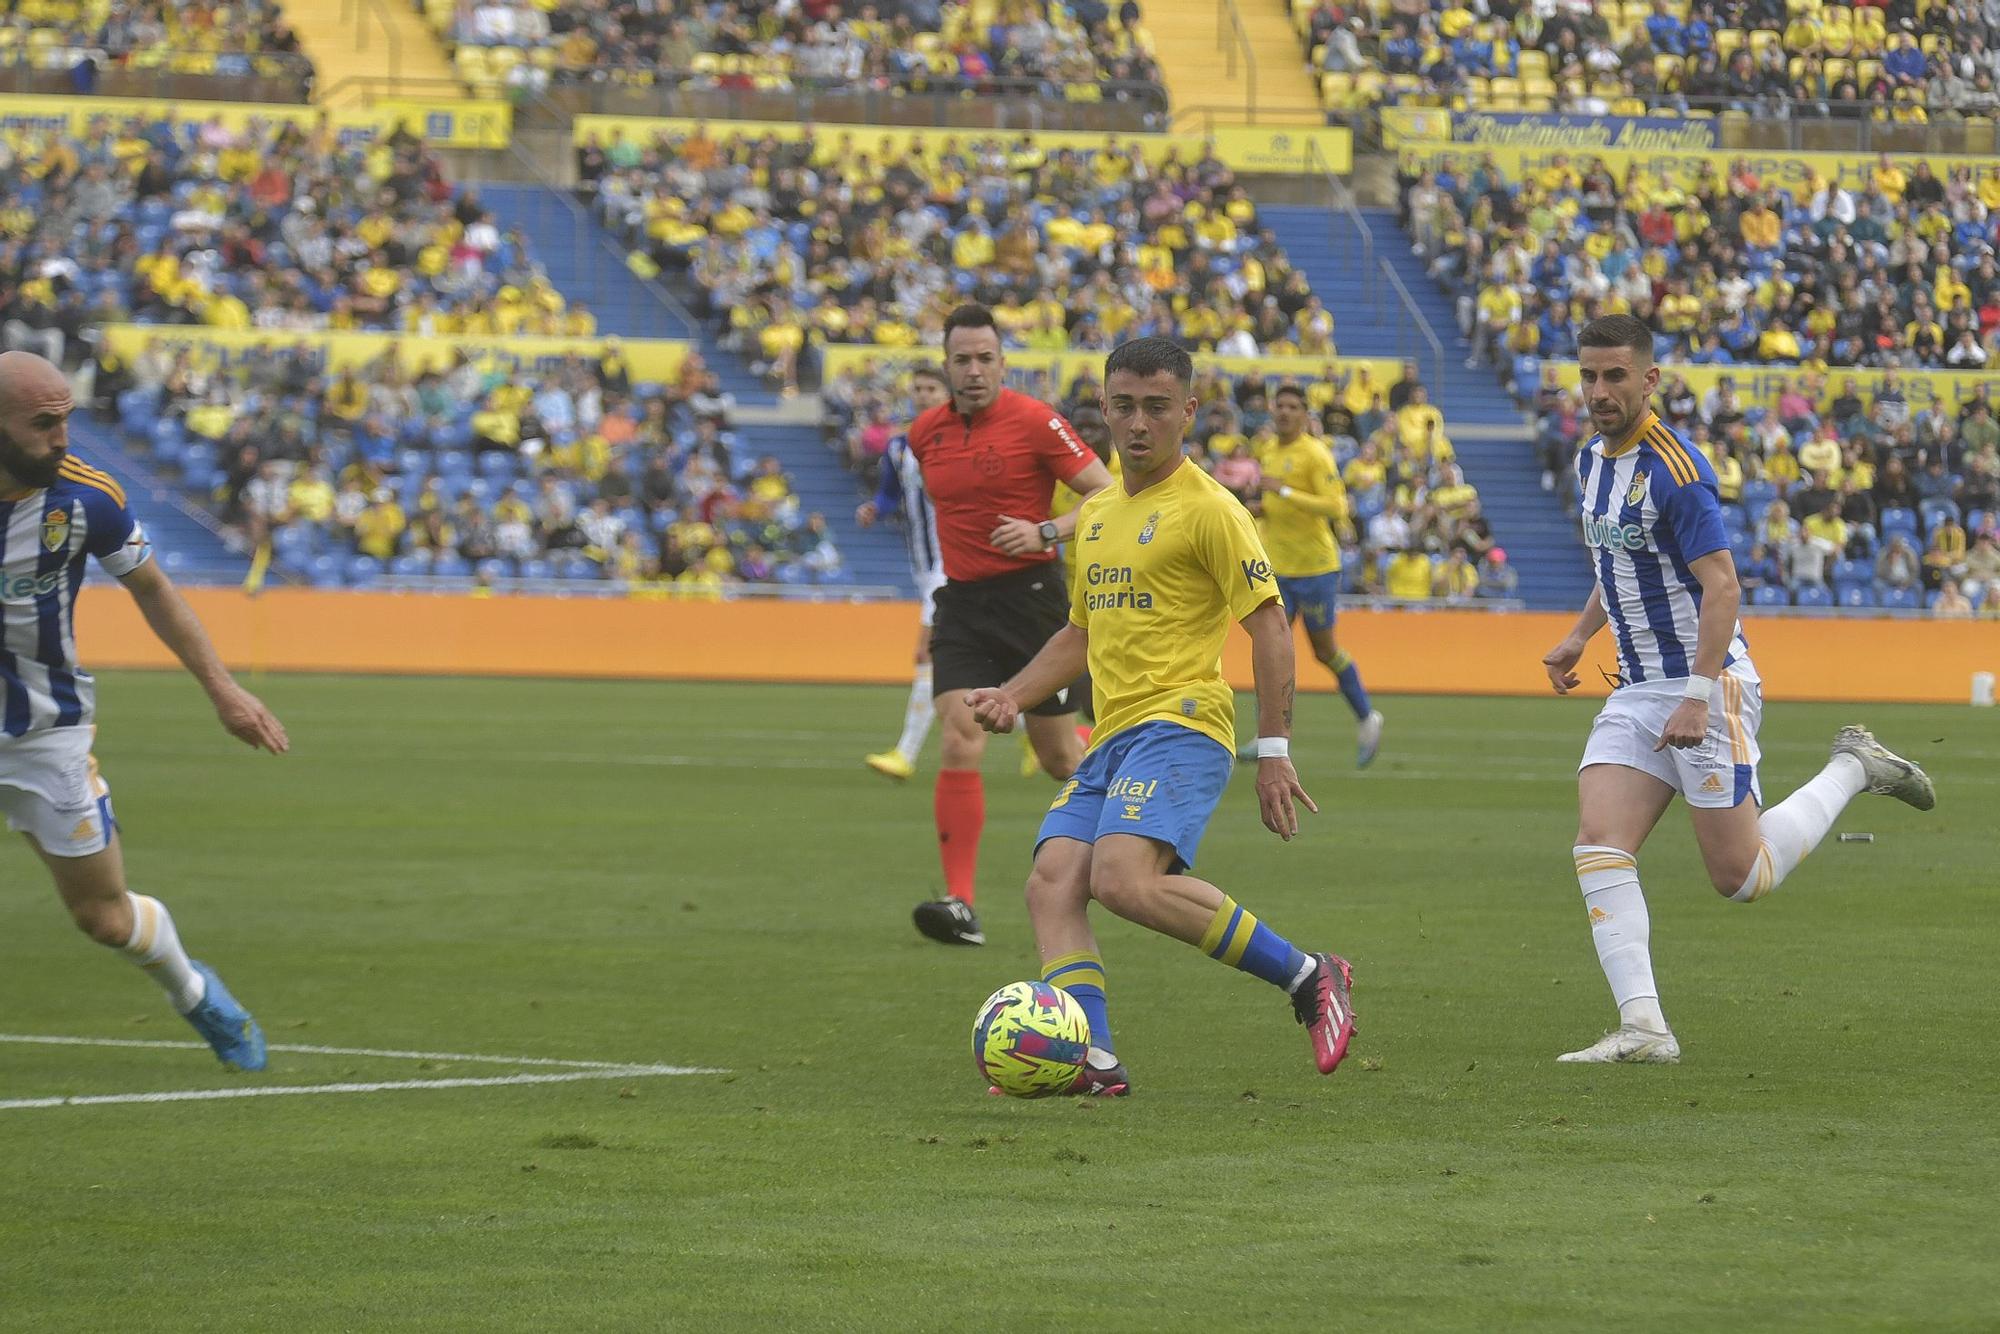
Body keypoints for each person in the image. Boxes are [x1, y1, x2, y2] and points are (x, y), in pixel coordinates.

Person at [965, 338, 1355, 1095]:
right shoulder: (1100, 513)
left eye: (1155, 407)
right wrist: (1013, 694)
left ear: (1188, 412)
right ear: (1104, 410)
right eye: (1123, 407)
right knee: (1051, 882)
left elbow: (1270, 627)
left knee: (1121, 879)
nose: (1138, 424)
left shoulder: (1212, 510)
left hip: (1182, 725)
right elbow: (1080, 632)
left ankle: (1310, 976)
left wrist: (1274, 748)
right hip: (1113, 735)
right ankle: (1093, 1061)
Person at [1541, 316, 1934, 1065]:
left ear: (1649, 380)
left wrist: (1695, 694)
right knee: (1598, 841)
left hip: (1706, 685)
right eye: (1589, 376)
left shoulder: (1677, 471)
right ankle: (1645, 1029)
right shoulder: (1591, 461)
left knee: (1739, 877)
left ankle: (1855, 765)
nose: (1599, 391)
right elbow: (1619, 561)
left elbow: (1721, 588)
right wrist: (1578, 635)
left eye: (1615, 376)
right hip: (1635, 687)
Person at [0, 351, 288, 1070]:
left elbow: (154, 588)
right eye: (43, 424)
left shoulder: (83, 497)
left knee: (102, 916)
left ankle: (195, 994)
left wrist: (223, 689)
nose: (62, 438)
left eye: (65, 419)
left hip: (44, 733)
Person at [905, 305, 1114, 946]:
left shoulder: (1034, 422)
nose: (973, 371)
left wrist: (1044, 530)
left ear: (1002, 363)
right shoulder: (924, 434)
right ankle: (960, 904)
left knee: (1058, 759)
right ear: (945, 365)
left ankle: (1129, 845)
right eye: (961, 359)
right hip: (963, 604)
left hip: (1031, 602)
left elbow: (1107, 494)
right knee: (960, 735)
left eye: (984, 359)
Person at [1236, 384, 1384, 767]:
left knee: (1324, 650)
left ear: (1305, 415)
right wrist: (1259, 508)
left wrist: (1284, 491)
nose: (1284, 413)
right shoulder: (1268, 450)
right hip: (1277, 569)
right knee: (1270, 649)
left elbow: (1337, 506)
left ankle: (1367, 716)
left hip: (1315, 568)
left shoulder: (1315, 454)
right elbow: (1274, 504)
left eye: (1292, 407)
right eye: (1279, 406)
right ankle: (1269, 736)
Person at [856, 365, 952, 781]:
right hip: (923, 564)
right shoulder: (899, 446)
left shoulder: (958, 440)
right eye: (918, 389)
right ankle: (1040, 735)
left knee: (926, 653)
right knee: (973, 666)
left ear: (947, 394)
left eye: (931, 388)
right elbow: (890, 492)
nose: (923, 395)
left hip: (952, 563)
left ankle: (905, 753)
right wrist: (875, 507)